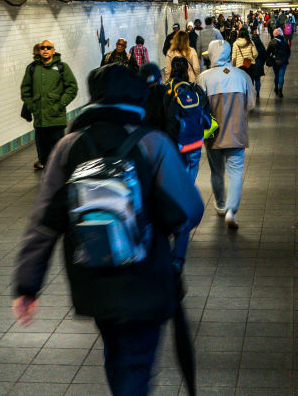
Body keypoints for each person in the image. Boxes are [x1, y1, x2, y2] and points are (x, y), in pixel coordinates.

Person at [13, 65, 204, 396]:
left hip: (93, 278)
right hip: (146, 277)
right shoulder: (152, 143)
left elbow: (42, 222)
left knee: (118, 354)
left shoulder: (68, 146)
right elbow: (190, 211)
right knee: (134, 363)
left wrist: (27, 285)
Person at [197, 39, 256, 229]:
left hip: (213, 134)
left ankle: (220, 205)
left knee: (216, 171)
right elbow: (251, 104)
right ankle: (231, 210)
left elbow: (199, 107)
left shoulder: (204, 78)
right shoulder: (242, 76)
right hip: (237, 132)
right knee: (236, 172)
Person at [163, 57, 214, 268]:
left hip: (178, 142)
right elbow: (206, 113)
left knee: (178, 175)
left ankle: (177, 206)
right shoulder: (195, 89)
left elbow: (166, 118)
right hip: (196, 141)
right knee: (191, 173)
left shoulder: (167, 91)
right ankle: (186, 201)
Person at [22, 40, 79, 170]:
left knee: (59, 151)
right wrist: (32, 106)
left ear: (53, 51)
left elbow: (72, 88)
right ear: (39, 51)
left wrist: (60, 104)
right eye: (43, 48)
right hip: (40, 120)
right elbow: (25, 89)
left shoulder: (62, 67)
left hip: (56, 119)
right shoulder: (32, 68)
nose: (45, 50)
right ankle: (48, 178)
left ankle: (59, 177)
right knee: (44, 155)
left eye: (49, 48)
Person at [139, 62, 167, 132]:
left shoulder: (138, 99)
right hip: (167, 140)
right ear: (161, 76)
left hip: (146, 139)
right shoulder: (169, 93)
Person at [266, 28, 292, 98]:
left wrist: (269, 58)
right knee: (281, 75)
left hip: (275, 61)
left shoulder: (272, 42)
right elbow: (288, 52)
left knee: (276, 74)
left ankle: (276, 87)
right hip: (283, 61)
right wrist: (286, 58)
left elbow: (268, 52)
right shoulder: (285, 42)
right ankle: (280, 90)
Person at [250, 25, 267, 98]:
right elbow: (264, 54)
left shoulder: (249, 45)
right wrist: (262, 62)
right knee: (257, 79)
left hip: (251, 64)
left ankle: (251, 92)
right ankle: (257, 92)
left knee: (251, 79)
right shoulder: (261, 45)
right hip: (259, 64)